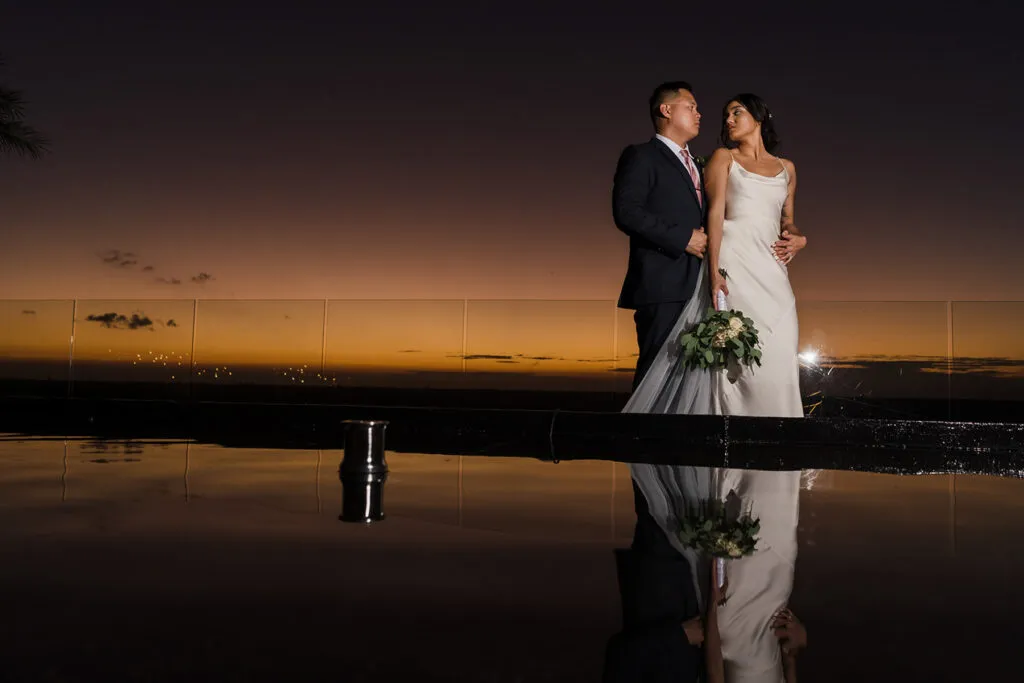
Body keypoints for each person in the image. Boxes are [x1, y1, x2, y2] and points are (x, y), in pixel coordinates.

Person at [620, 91, 809, 681]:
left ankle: (777, 468)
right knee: (731, 372)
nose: (722, 119)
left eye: (733, 112)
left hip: (772, 277)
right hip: (733, 272)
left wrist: (799, 238)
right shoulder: (718, 160)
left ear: (760, 118)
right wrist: (714, 276)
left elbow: (789, 223)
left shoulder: (789, 168)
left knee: (775, 367)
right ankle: (728, 480)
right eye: (715, 111)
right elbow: (713, 218)